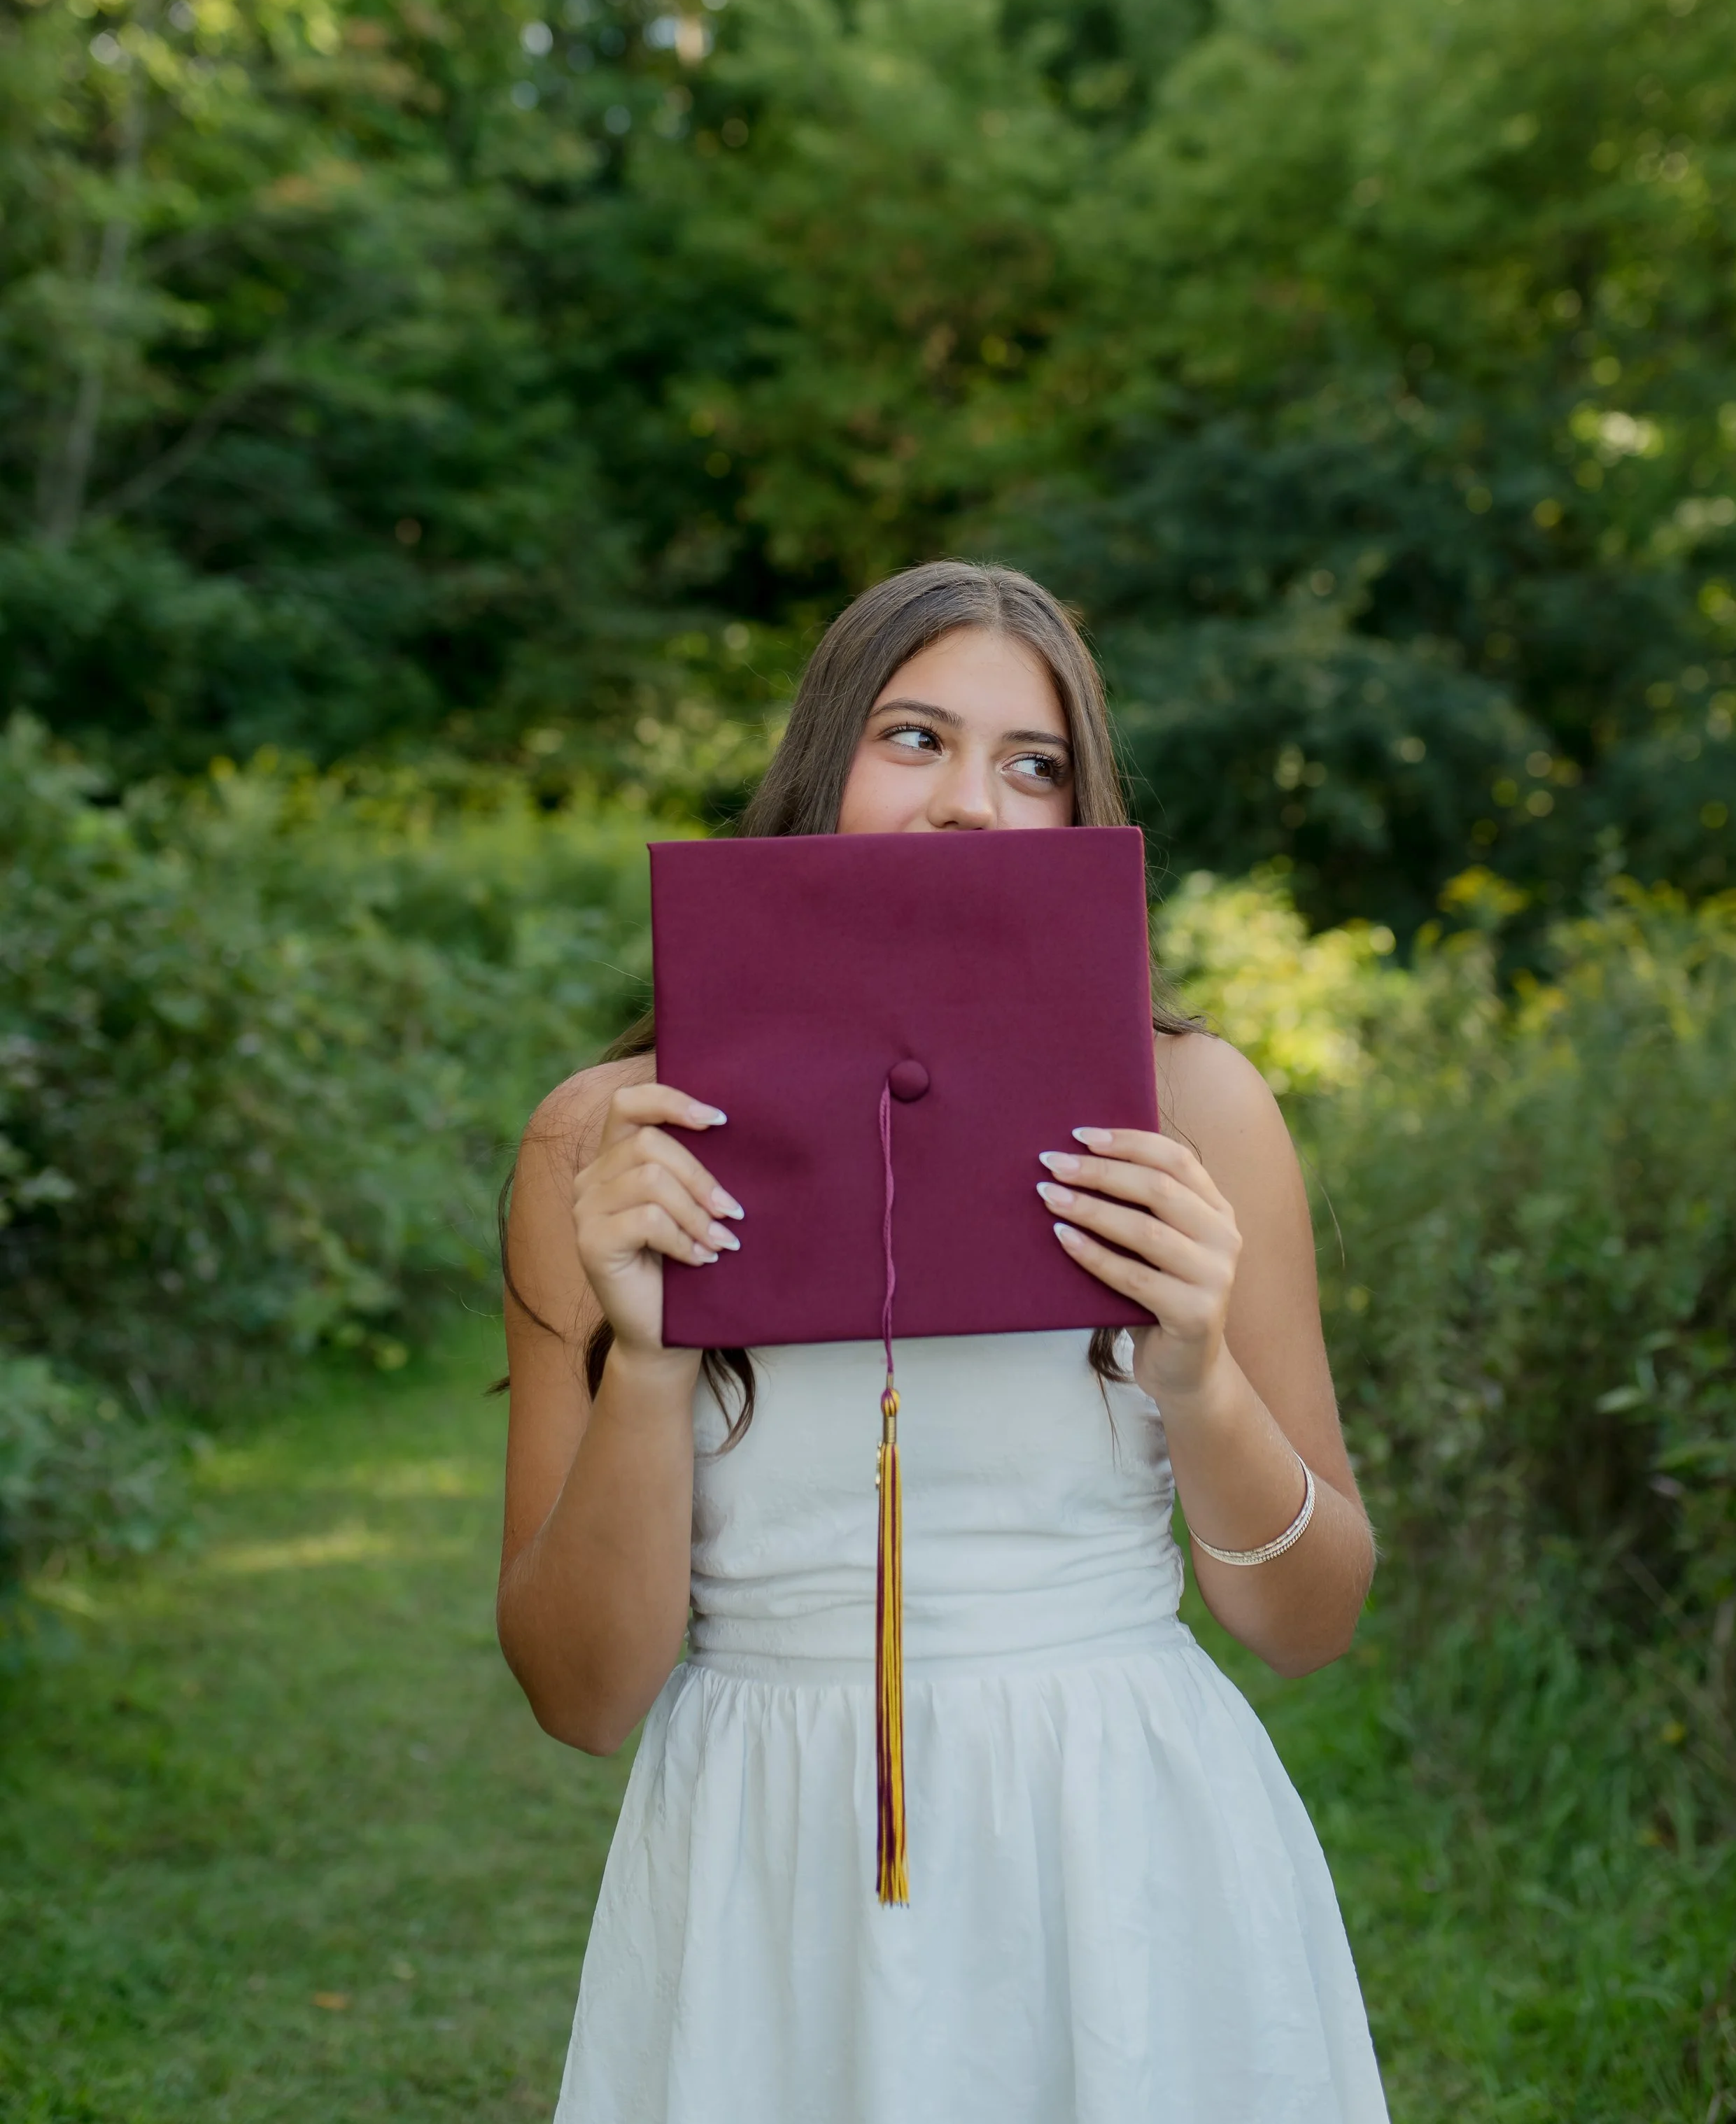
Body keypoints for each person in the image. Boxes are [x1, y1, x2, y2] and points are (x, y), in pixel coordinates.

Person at [498, 559, 1390, 2124]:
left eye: (1030, 764)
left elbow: (1311, 1624)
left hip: (1125, 1847)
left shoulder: (1191, 1110)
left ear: (1079, 816)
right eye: (913, 737)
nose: (971, 802)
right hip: (764, 1864)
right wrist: (649, 1361)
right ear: (816, 767)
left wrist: (1195, 1370)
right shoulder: (606, 1144)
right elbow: (579, 1697)